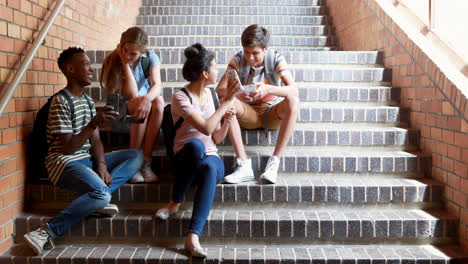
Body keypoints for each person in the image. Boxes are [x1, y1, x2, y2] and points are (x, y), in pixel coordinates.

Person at [23, 47, 144, 255]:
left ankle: (97, 199)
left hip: (86, 161)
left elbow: (95, 140)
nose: (91, 69)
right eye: (86, 64)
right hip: (63, 163)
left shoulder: (87, 100)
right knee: (101, 194)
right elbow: (68, 147)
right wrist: (94, 122)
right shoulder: (60, 101)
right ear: (70, 69)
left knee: (136, 156)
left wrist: (102, 165)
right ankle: (45, 231)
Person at [155, 43, 239, 258]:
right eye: (214, 67)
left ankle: (193, 237)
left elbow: (217, 137)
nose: (217, 71)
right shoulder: (180, 97)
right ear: (204, 73)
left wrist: (228, 120)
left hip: (208, 160)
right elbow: (205, 128)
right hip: (186, 158)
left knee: (211, 164)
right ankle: (175, 201)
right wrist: (227, 101)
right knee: (196, 145)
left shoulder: (211, 96)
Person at [216, 24, 299, 184]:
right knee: (227, 101)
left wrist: (268, 89)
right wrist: (237, 93)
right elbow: (220, 89)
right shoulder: (238, 59)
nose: (250, 57)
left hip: (272, 112)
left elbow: (294, 90)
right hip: (248, 113)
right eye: (247, 52)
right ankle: (244, 165)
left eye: (255, 53)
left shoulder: (276, 58)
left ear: (265, 48)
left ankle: (274, 164)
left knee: (293, 102)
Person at [101, 27, 163, 183]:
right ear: (121, 47)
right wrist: (124, 62)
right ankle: (133, 163)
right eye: (125, 50)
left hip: (141, 107)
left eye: (133, 53)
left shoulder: (150, 57)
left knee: (159, 102)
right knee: (142, 99)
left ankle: (145, 163)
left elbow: (157, 86)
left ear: (143, 51)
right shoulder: (114, 59)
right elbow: (133, 95)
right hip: (118, 109)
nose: (128, 55)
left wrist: (147, 99)